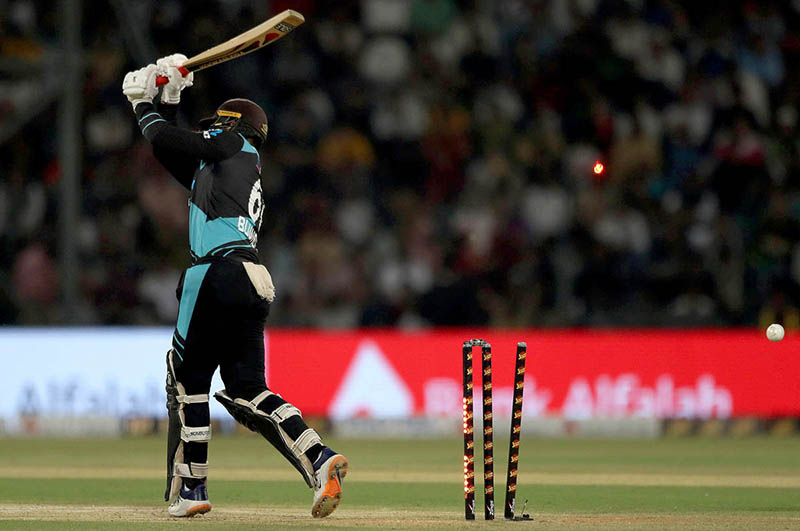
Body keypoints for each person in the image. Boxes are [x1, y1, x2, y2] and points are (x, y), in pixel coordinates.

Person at [121, 56, 348, 519]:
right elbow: (171, 150)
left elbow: (167, 137)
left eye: (216, 126)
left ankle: (192, 489)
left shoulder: (232, 145)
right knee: (247, 388)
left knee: (186, 379)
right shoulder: (225, 168)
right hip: (251, 278)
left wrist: (142, 103)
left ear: (231, 125)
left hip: (215, 272)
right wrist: (169, 97)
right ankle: (319, 458)